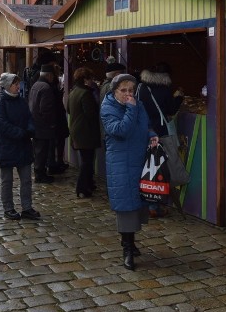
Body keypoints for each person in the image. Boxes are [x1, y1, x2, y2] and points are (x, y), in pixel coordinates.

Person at [101, 73, 158, 270]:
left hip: (139, 160)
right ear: (114, 90)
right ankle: (126, 249)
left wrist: (152, 135)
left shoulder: (138, 104)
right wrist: (130, 109)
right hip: (121, 163)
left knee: (138, 204)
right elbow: (121, 130)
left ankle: (131, 243)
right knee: (125, 205)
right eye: (123, 90)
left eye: (131, 90)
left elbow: (146, 125)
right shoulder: (108, 108)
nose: (128, 94)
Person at [136, 62, 184, 218]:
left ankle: (146, 202)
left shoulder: (140, 87)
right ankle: (154, 205)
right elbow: (170, 110)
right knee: (158, 170)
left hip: (143, 132)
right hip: (160, 133)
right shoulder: (164, 89)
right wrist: (178, 98)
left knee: (146, 168)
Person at [0, 73, 40, 221]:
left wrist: (30, 129)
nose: (18, 87)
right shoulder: (0, 103)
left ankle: (27, 207)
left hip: (23, 144)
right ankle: (8, 208)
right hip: (7, 145)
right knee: (7, 180)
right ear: (7, 86)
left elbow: (29, 117)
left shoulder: (21, 101)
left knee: (26, 179)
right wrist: (19, 133)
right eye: (15, 84)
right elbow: (1, 124)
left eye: (18, 84)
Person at [67, 67, 101, 198]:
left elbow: (68, 109)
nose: (92, 81)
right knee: (87, 161)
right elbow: (91, 114)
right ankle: (81, 187)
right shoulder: (86, 93)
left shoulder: (73, 92)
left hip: (77, 130)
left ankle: (88, 184)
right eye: (90, 78)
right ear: (86, 79)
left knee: (86, 159)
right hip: (86, 131)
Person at [28, 63, 59, 184]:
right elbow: (45, 109)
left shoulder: (35, 85)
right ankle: (40, 174)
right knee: (42, 151)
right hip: (43, 126)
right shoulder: (46, 88)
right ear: (49, 76)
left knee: (38, 151)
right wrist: (51, 123)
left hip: (35, 124)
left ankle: (39, 172)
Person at [49, 63, 69, 174]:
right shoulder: (53, 85)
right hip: (57, 118)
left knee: (57, 142)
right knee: (57, 142)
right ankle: (57, 162)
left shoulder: (54, 84)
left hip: (57, 117)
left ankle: (58, 161)